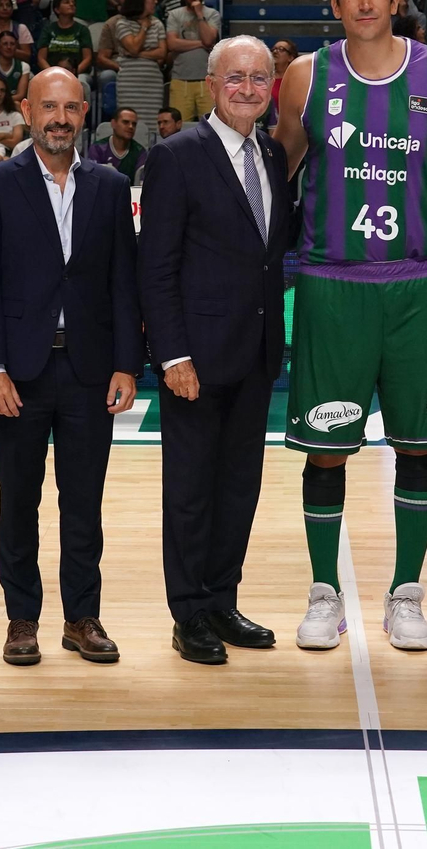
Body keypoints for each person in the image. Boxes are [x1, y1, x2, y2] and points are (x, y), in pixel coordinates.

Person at [272, 0, 427, 652]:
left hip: (419, 284)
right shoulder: (306, 74)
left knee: (416, 446)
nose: (365, 3)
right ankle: (323, 591)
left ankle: (407, 593)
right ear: (334, 4)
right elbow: (280, 170)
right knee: (325, 451)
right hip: (333, 285)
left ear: (397, 0)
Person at [0, 67, 141, 668]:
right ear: (25, 110)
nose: (59, 118)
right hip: (19, 370)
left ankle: (81, 617)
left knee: (83, 501)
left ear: (84, 111)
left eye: (70, 107)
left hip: (91, 371)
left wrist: (126, 363)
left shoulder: (111, 187)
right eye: (48, 107)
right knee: (19, 499)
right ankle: (22, 619)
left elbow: (125, 282)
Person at [138, 34, 289, 665]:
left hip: (254, 354)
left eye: (260, 78)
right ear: (212, 84)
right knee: (192, 489)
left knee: (238, 487)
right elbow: (157, 265)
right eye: (236, 78)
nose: (249, 88)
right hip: (195, 359)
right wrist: (172, 355)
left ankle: (223, 599)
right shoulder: (175, 155)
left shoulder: (275, 156)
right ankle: (189, 611)